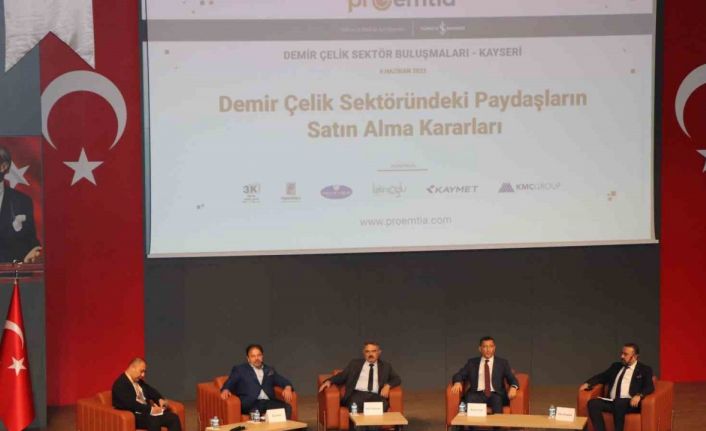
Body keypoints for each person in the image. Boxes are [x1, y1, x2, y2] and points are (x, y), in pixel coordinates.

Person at [580, 343, 654, 431]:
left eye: (625, 354)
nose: (622, 356)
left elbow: (649, 386)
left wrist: (639, 395)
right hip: (612, 401)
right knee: (593, 403)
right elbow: (602, 376)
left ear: (635, 356)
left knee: (619, 402)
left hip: (630, 403)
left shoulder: (644, 369)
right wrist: (588, 383)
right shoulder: (616, 366)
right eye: (622, 353)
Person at [318, 341, 401, 412]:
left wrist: (388, 385)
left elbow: (397, 378)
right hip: (357, 395)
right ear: (364, 353)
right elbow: (342, 376)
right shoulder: (355, 364)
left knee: (381, 409)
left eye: (373, 351)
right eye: (367, 351)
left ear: (379, 352)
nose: (370, 354)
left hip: (376, 396)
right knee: (355, 408)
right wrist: (329, 381)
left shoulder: (386, 366)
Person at [220, 344, 294, 419]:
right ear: (248, 359)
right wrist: (226, 389)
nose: (257, 358)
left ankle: (283, 426)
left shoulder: (269, 369)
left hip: (267, 402)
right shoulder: (240, 370)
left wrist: (288, 387)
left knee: (287, 408)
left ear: (262, 356)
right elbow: (231, 381)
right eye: (253, 356)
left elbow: (281, 380)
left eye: (259, 355)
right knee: (256, 414)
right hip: (251, 403)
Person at [450, 336, 519, 414]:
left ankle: (495, 421)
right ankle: (475, 421)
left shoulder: (502, 363)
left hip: (496, 394)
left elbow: (512, 378)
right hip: (477, 394)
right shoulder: (472, 363)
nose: (488, 350)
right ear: (480, 349)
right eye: (485, 347)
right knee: (469, 399)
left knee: (497, 401)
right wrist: (457, 382)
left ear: (494, 348)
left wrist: (514, 387)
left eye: (491, 346)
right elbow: (459, 374)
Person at [111, 357, 182, 431]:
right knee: (154, 420)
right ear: (132, 368)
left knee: (173, 417)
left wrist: (159, 399)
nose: (143, 375)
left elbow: (151, 391)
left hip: (147, 413)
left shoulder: (139, 381)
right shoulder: (120, 384)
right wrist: (151, 409)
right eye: (141, 371)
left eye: (144, 372)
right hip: (134, 415)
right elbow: (131, 404)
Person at [0, 146, 41, 263]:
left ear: (3, 166)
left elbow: (31, 241)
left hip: (12, 270)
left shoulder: (22, 201)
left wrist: (36, 251)